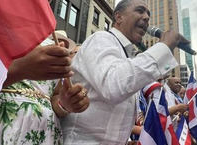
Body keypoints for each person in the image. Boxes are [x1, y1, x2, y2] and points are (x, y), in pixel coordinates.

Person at [60, 0, 190, 144]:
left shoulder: (126, 55)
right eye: (140, 11)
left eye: (148, 14)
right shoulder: (101, 39)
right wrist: (164, 46)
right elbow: (113, 86)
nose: (147, 17)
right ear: (118, 17)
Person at [0, 32, 89, 145]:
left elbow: (54, 97)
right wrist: (19, 69)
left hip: (43, 133)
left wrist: (66, 103)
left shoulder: (50, 46)